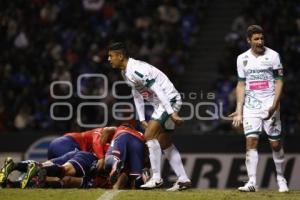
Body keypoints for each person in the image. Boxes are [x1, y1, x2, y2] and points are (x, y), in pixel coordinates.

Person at [108, 42, 191, 191]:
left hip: (168, 100)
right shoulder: (125, 72)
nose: (109, 59)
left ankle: (156, 178)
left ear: (120, 56)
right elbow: (137, 94)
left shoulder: (136, 69)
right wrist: (141, 118)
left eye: (111, 56)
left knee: (149, 135)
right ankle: (183, 179)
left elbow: (158, 89)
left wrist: (171, 112)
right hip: (162, 103)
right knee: (164, 142)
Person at [229, 25, 289, 192]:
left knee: (275, 144)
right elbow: (241, 84)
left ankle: (281, 177)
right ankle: (252, 182)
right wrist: (239, 109)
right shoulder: (242, 58)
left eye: (262, 38)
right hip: (251, 106)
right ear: (249, 40)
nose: (260, 41)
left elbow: (279, 82)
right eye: (256, 39)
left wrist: (274, 105)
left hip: (270, 103)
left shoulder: (273, 56)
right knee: (251, 141)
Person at [103, 124, 150, 189]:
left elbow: (107, 129)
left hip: (122, 136)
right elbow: (147, 149)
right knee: (136, 176)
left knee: (110, 159)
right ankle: (142, 177)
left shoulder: (120, 128)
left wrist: (102, 143)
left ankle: (115, 163)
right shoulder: (140, 133)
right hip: (139, 141)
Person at [47, 126, 116, 159]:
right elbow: (96, 143)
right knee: (74, 166)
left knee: (54, 172)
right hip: (66, 143)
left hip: (59, 145)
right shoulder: (100, 131)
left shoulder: (108, 146)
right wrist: (101, 159)